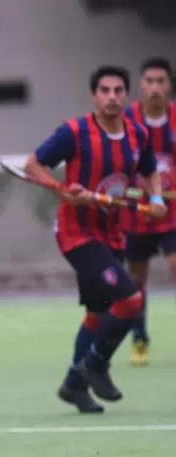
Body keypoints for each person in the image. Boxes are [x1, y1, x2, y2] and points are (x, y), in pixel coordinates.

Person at [25, 65, 166, 414]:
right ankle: (97, 364)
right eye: (105, 90)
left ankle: (74, 385)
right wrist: (61, 189)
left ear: (127, 95)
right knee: (130, 300)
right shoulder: (74, 132)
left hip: (111, 234)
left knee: (97, 314)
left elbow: (149, 173)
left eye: (119, 90)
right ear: (94, 95)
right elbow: (32, 165)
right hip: (76, 234)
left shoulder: (136, 135)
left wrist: (158, 200)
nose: (112, 96)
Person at [121, 57, 176, 367]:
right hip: (138, 211)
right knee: (137, 278)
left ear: (169, 85)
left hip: (172, 211)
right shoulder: (127, 120)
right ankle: (139, 337)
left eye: (161, 82)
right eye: (150, 82)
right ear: (141, 86)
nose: (155, 88)